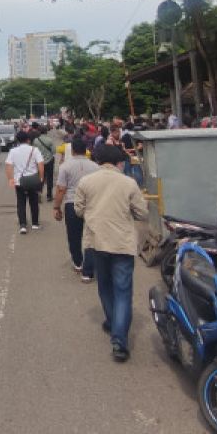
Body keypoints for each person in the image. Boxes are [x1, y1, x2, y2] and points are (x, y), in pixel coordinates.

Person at [73, 144, 148, 362]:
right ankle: (119, 341)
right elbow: (142, 213)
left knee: (105, 286)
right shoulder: (128, 183)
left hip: (96, 242)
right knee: (123, 291)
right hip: (122, 244)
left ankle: (112, 320)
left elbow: (78, 210)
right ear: (120, 163)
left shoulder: (86, 182)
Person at [53, 136, 100, 278]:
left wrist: (56, 207)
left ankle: (78, 262)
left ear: (72, 150)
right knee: (91, 236)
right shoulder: (95, 166)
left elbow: (61, 189)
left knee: (74, 235)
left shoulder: (65, 167)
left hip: (72, 204)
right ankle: (90, 265)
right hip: (92, 204)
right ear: (85, 150)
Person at [5, 131, 45, 234]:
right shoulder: (34, 150)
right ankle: (35, 223)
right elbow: (40, 165)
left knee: (21, 203)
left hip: (19, 181)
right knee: (34, 202)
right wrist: (41, 178)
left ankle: (23, 225)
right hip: (33, 180)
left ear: (17, 140)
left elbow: (9, 166)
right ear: (28, 139)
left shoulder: (13, 151)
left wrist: (10, 179)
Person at [32, 124, 58, 202]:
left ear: (39, 131)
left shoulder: (35, 140)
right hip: (49, 161)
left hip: (39, 162)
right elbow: (54, 151)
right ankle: (49, 196)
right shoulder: (50, 140)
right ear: (46, 131)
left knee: (40, 178)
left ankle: (39, 193)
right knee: (50, 178)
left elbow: (34, 152)